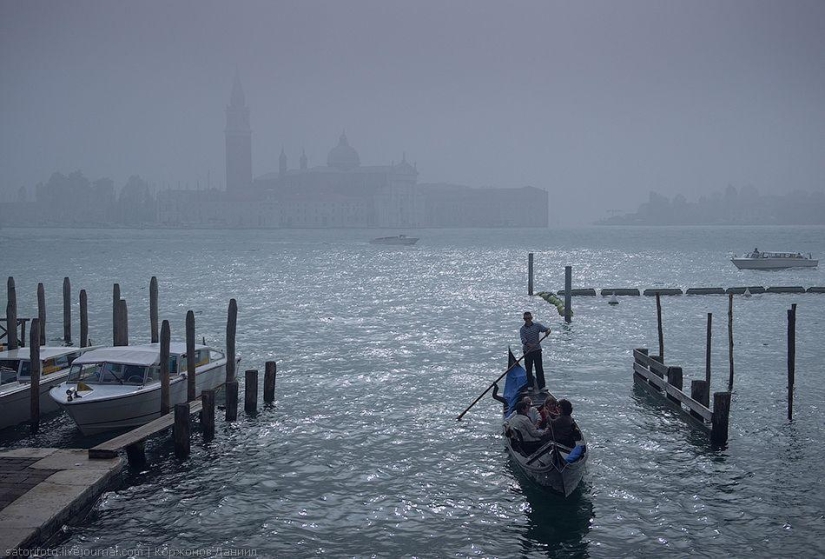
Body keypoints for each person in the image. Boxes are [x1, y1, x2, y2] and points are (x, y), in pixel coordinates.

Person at [520, 311, 551, 392]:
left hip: (537, 350)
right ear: (524, 319)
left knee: (539, 368)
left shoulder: (537, 326)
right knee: (529, 368)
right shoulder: (522, 329)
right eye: (526, 319)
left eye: (529, 318)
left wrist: (548, 331)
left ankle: (542, 386)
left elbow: (546, 329)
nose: (527, 320)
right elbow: (523, 339)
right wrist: (529, 344)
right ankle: (530, 385)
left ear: (531, 318)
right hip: (527, 351)